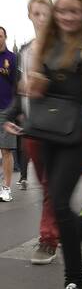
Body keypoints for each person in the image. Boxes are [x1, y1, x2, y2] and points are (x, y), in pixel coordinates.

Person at [19, 0, 82, 289]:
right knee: (58, 204)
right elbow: (34, 87)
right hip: (44, 130)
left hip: (76, 132)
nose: (68, 17)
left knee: (58, 201)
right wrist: (32, 87)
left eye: (75, 11)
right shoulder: (45, 44)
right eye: (63, 11)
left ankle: (76, 286)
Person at [5, 0, 61, 263]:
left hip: (57, 126)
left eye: (44, 13)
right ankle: (65, 231)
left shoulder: (62, 47)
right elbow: (20, 89)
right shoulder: (25, 51)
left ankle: (48, 238)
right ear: (29, 15)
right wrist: (12, 113)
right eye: (35, 13)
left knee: (51, 185)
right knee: (47, 185)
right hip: (32, 126)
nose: (40, 17)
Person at [0, 27, 17, 202]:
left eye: (0, 35)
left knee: (6, 150)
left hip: (6, 110)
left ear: (5, 37)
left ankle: (7, 188)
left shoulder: (12, 58)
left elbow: (17, 85)